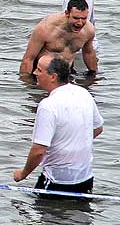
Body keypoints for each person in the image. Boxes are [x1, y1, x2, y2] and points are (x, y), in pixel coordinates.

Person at [13, 54, 103, 197]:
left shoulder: (48, 105)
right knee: (79, 218)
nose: (34, 73)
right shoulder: (83, 93)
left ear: (53, 77)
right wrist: (73, 145)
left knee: (44, 218)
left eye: (39, 70)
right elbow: (98, 128)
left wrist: (23, 174)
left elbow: (39, 150)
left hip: (56, 181)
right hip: (85, 178)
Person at [19, 0, 97, 75]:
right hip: (42, 73)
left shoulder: (88, 30)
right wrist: (27, 83)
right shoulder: (45, 28)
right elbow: (28, 59)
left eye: (83, 18)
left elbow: (88, 54)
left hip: (66, 73)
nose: (80, 23)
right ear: (67, 14)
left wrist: (94, 76)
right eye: (76, 18)